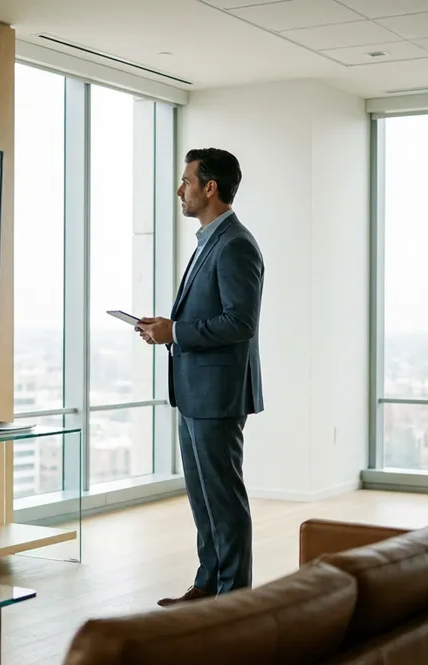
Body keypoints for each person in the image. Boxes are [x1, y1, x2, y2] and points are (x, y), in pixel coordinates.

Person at [136, 147, 264, 607]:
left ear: (210, 187)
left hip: (217, 396)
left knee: (224, 501)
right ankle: (208, 586)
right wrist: (166, 329)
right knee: (203, 501)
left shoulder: (235, 244)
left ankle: (233, 602)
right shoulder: (209, 240)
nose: (180, 190)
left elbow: (240, 321)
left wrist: (178, 332)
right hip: (193, 394)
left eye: (186, 181)